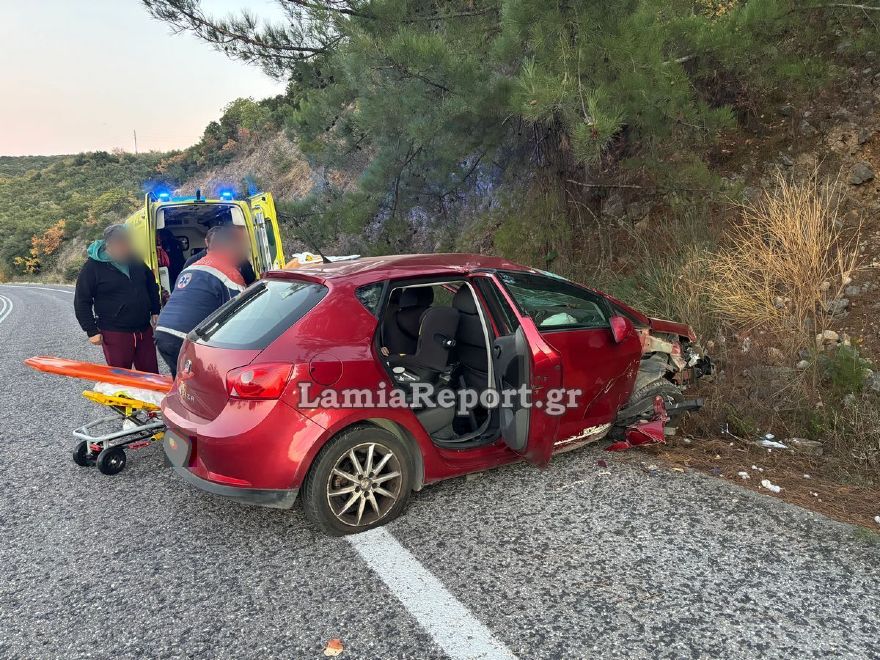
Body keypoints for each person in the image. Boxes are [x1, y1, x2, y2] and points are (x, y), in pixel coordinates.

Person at [154, 225, 250, 376]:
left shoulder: (192, 266)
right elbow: (243, 317)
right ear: (231, 248)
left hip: (163, 334)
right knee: (205, 385)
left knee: (182, 383)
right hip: (186, 340)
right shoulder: (229, 273)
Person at [74, 224, 160, 373]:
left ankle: (151, 397)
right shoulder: (92, 267)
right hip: (115, 332)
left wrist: (155, 309)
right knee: (121, 376)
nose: (125, 249)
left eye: (127, 244)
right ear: (109, 245)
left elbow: (151, 284)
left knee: (151, 374)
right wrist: (91, 331)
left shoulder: (135, 260)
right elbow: (82, 300)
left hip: (143, 329)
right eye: (120, 245)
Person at [182, 224, 257, 287]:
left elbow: (251, 281)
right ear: (206, 241)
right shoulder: (192, 262)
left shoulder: (239, 259)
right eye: (215, 243)